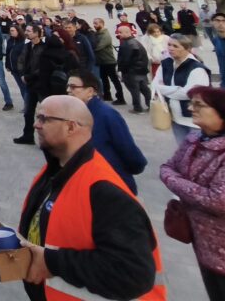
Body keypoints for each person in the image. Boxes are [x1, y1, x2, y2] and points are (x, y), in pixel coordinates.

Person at [19, 95, 164, 301]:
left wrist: (52, 262)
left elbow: (134, 273)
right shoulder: (55, 169)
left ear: (71, 127)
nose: (36, 124)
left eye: (44, 119)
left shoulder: (104, 190)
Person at [160, 86, 225, 301]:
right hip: (205, 248)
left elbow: (221, 201)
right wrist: (182, 182)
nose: (191, 108)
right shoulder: (195, 139)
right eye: (191, 103)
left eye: (199, 105)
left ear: (224, 113)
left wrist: (176, 182)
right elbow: (167, 166)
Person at [66, 70, 147, 193]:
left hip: (112, 183)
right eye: (67, 86)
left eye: (73, 87)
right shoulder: (74, 114)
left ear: (90, 91)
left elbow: (127, 149)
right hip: (87, 182)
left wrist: (136, 166)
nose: (68, 90)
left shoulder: (106, 114)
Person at [151, 34, 211, 145]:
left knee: (196, 153)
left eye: (175, 46)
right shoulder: (166, 64)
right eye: (169, 45)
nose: (170, 48)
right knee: (182, 151)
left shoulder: (197, 68)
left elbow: (190, 93)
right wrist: (175, 89)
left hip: (193, 119)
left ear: (187, 49)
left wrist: (162, 88)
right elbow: (154, 86)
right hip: (174, 117)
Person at [115, 23, 151, 113]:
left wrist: (121, 70)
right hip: (141, 70)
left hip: (132, 72)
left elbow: (125, 60)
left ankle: (137, 108)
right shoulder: (136, 42)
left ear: (127, 32)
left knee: (134, 90)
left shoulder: (127, 44)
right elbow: (144, 57)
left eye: (120, 32)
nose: (118, 34)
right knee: (144, 89)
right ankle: (150, 104)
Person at [91, 18, 124, 104]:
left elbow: (98, 47)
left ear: (102, 24)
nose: (94, 25)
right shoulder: (97, 34)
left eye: (96, 23)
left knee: (114, 80)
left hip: (109, 61)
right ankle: (107, 95)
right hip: (101, 61)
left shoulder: (105, 35)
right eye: (94, 23)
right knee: (104, 80)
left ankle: (121, 98)